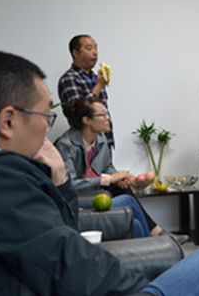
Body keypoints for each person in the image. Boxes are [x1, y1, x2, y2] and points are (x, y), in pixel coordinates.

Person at [0, 50, 199, 296]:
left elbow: (62, 243)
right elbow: (74, 266)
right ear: (8, 121)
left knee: (132, 206)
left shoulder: (27, 179)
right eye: (46, 116)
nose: (47, 127)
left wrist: (64, 182)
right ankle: (162, 237)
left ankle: (159, 237)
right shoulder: (7, 184)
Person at [54, 97, 187, 242]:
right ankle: (158, 236)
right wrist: (109, 179)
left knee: (135, 223)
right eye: (102, 114)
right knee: (128, 200)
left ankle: (154, 242)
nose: (108, 118)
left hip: (98, 192)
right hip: (78, 200)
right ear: (86, 120)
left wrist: (118, 178)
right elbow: (70, 184)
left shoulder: (101, 139)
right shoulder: (66, 145)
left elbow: (107, 167)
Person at [58, 34, 115, 148]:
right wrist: (99, 86)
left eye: (96, 48)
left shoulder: (96, 77)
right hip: (83, 145)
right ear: (76, 53)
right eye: (89, 48)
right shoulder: (69, 78)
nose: (95, 52)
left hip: (104, 140)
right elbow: (78, 112)